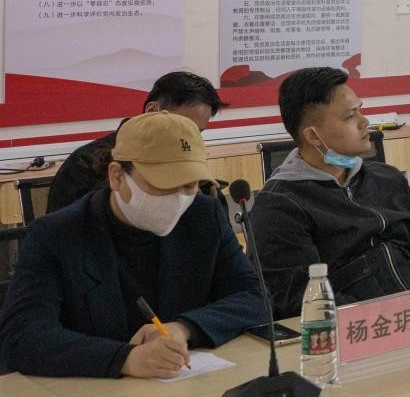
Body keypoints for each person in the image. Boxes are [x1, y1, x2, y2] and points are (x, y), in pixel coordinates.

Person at [0, 112, 265, 379]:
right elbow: (21, 336)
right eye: (163, 184)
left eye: (189, 185)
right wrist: (124, 359)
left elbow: (254, 297)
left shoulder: (204, 216)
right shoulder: (56, 235)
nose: (178, 199)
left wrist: (184, 328)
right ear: (117, 176)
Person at [248, 67, 410, 319]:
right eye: (350, 116)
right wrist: (385, 319)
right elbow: (301, 298)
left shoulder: (387, 178)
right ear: (313, 136)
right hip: (359, 327)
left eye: (360, 110)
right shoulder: (281, 205)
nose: (364, 122)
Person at [47, 70, 225, 214]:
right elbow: (63, 233)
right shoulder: (85, 163)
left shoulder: (189, 160)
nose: (190, 138)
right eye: (183, 127)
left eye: (197, 132)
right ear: (152, 110)